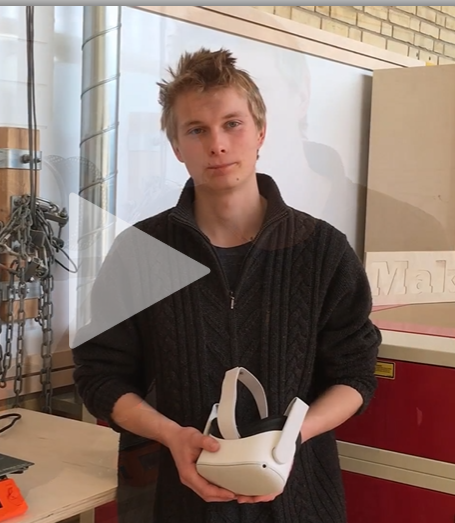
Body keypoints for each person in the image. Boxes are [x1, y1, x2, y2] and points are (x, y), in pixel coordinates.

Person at [71, 47, 382, 523]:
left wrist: (288, 439)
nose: (217, 145)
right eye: (196, 130)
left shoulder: (324, 250)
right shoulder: (141, 252)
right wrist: (171, 435)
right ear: (177, 147)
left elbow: (356, 374)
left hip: (299, 502)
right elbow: (99, 375)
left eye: (232, 124)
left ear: (260, 132)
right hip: (181, 503)